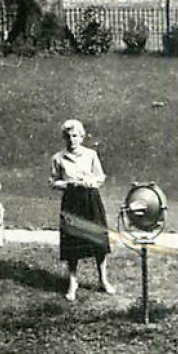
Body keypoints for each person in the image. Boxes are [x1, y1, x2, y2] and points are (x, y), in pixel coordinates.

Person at [50, 118, 114, 302]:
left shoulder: (91, 155)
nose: (72, 140)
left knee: (98, 240)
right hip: (71, 201)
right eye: (68, 136)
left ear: (82, 136)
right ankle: (73, 282)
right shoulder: (58, 158)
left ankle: (103, 280)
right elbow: (53, 182)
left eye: (75, 136)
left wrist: (91, 182)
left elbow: (100, 176)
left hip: (90, 199)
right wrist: (69, 184)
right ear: (64, 137)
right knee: (72, 242)